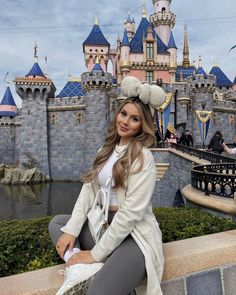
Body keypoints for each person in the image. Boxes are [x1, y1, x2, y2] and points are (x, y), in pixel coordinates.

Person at [48, 76, 165, 295]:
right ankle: (83, 270)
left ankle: (95, 268)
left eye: (134, 119)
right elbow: (88, 192)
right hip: (102, 228)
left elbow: (130, 215)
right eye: (123, 114)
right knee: (58, 225)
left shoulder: (143, 158)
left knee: (97, 292)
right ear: (117, 113)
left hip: (133, 238)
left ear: (143, 125)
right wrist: (72, 230)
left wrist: (95, 254)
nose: (125, 122)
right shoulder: (104, 151)